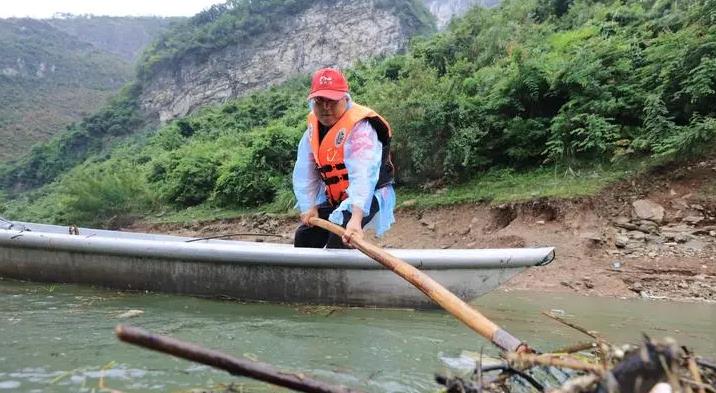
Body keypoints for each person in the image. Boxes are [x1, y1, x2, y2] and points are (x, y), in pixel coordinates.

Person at [292, 67, 396, 248]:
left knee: (339, 239)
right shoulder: (312, 130)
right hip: (337, 198)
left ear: (345, 98)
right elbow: (305, 173)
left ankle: (340, 274)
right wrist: (309, 207)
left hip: (369, 195)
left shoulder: (361, 129)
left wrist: (355, 220)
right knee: (305, 236)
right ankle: (307, 275)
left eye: (332, 101)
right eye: (319, 101)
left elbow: (363, 175)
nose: (326, 108)